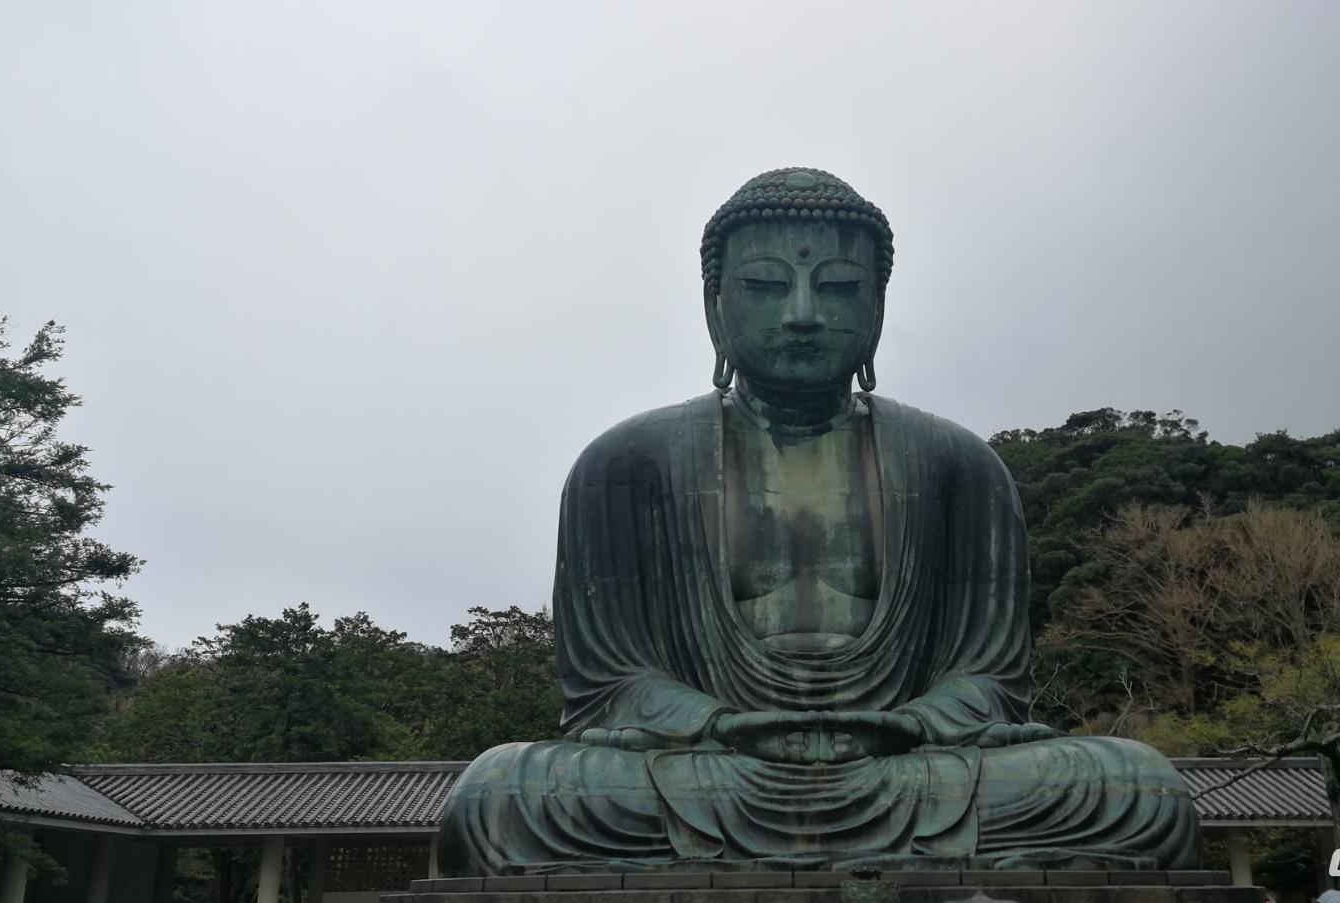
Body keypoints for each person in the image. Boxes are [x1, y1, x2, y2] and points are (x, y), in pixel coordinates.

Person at [436, 168, 1200, 875]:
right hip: (708, 767)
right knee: (499, 795)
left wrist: (909, 723)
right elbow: (612, 685)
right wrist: (720, 724)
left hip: (907, 765)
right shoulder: (627, 464)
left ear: (877, 307)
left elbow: (989, 680)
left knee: (1137, 786)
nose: (802, 314)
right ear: (714, 304)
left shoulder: (959, 465)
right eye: (766, 286)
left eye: (836, 286)